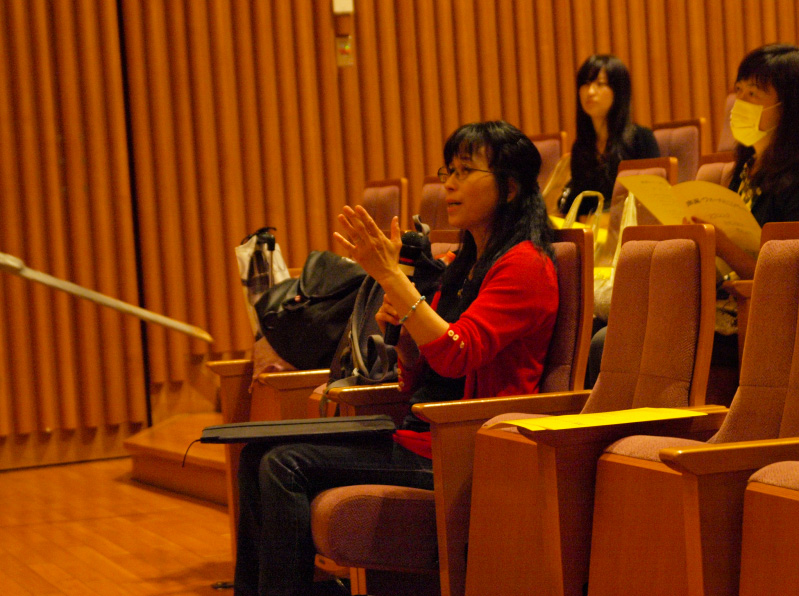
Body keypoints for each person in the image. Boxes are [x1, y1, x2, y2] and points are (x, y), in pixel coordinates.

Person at [233, 120, 559, 596]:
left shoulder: (526, 265)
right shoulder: (461, 264)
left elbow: (457, 354)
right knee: (254, 455)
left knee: (285, 465)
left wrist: (394, 280)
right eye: (448, 171)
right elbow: (418, 375)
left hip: (463, 447)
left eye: (465, 171)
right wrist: (405, 333)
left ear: (509, 187)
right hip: (419, 434)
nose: (449, 184)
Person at [698, 43, 799, 280]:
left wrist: (722, 246)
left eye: (752, 94)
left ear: (788, 107)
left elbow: (786, 280)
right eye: (739, 90)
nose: (739, 102)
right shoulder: (746, 168)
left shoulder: (795, 178)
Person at [558, 54, 660, 218]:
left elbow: (653, 200)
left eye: (600, 84)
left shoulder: (641, 139)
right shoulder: (581, 147)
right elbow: (579, 205)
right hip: (593, 230)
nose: (590, 92)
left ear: (618, 91)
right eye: (586, 84)